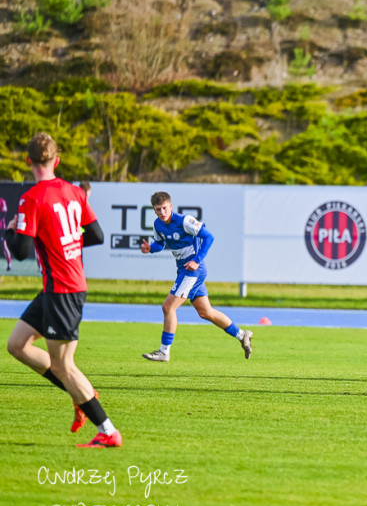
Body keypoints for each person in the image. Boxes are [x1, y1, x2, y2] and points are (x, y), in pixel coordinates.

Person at [4, 132, 121, 448]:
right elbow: (96, 234)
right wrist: (66, 241)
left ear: (28, 161)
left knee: (63, 365)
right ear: (57, 160)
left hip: (62, 289)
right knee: (17, 345)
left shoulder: (33, 198)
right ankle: (81, 392)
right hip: (57, 288)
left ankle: (107, 430)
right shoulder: (74, 191)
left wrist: (12, 229)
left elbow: (23, 251)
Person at [139, 191, 253, 362]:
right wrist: (150, 249)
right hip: (184, 269)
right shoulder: (158, 224)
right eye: (158, 209)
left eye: (164, 208)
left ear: (170, 206)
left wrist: (197, 260)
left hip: (192, 270)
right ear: (154, 210)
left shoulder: (184, 221)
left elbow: (209, 237)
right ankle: (242, 334)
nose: (162, 212)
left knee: (168, 307)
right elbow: (161, 243)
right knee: (205, 312)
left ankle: (164, 351)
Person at [0, 196, 11, 271]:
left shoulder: (2, 201)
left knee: (4, 245)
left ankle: (9, 265)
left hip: (1, 228)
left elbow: (4, 213)